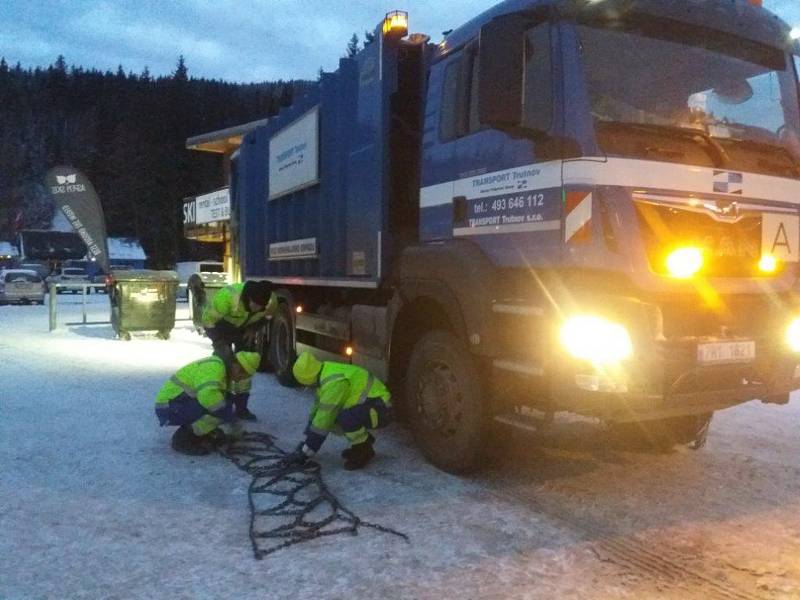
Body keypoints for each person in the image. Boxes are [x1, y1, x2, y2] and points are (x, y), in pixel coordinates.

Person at [283, 351, 392, 470]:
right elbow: (318, 411)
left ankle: (364, 449)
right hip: (371, 406)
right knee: (340, 417)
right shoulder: (325, 372)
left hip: (381, 409)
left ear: (306, 379)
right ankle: (361, 443)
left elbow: (323, 422)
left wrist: (306, 452)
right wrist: (307, 437)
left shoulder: (332, 384)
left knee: (345, 418)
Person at [155, 351, 261, 455]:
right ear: (237, 367)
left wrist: (238, 412)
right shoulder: (215, 367)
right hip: (169, 407)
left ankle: (200, 433)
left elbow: (239, 393)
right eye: (242, 377)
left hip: (179, 403)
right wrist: (230, 418)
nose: (239, 380)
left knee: (223, 404)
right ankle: (182, 440)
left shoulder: (225, 369)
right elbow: (208, 396)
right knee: (217, 407)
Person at [201, 280, 277, 421]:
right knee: (225, 364)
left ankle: (241, 408)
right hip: (220, 328)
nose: (256, 309)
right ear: (248, 298)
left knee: (245, 367)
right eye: (255, 305)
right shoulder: (227, 297)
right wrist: (219, 342)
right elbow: (207, 320)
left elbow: (268, 316)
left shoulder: (271, 301)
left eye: (260, 307)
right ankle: (222, 407)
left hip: (244, 329)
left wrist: (253, 329)